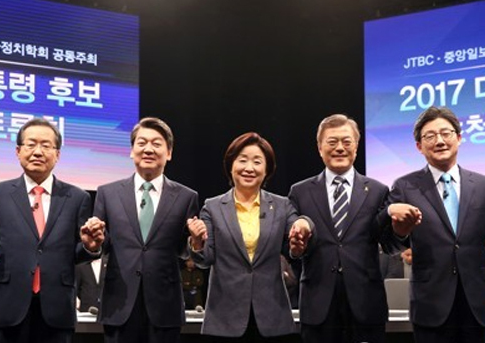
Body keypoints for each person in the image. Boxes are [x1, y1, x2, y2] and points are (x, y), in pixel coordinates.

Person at [188, 132, 312, 343]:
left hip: (273, 319)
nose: (249, 168)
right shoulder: (213, 206)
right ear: (231, 165)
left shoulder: (281, 206)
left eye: (257, 161)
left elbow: (295, 246)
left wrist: (303, 228)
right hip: (224, 320)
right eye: (242, 160)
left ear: (267, 169)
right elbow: (205, 259)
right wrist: (197, 241)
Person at [0, 118, 104, 343]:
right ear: (18, 151)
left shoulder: (77, 198)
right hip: (7, 305)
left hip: (57, 308)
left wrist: (91, 247)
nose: (37, 151)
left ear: (58, 154)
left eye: (46, 145)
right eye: (30, 144)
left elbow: (76, 252)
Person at [89, 117, 199, 343]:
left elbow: (183, 250)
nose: (148, 149)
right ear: (131, 151)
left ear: (168, 153)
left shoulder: (187, 197)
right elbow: (103, 244)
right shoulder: (107, 193)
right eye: (141, 143)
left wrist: (195, 242)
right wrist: (96, 242)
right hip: (119, 303)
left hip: (165, 307)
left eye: (157, 144)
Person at [382, 106, 485, 343]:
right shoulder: (404, 186)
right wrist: (400, 230)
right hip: (431, 306)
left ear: (459, 138)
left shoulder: (481, 185)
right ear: (419, 146)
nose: (439, 141)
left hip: (478, 305)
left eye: (446, 133)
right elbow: (389, 243)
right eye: (430, 136)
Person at [288, 114, 391, 343]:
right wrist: (297, 243)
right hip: (318, 307)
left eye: (346, 142)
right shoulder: (300, 192)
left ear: (356, 145)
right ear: (319, 147)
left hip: (366, 306)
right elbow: (292, 249)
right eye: (332, 142)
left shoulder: (378, 191)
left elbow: (390, 242)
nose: (340, 148)